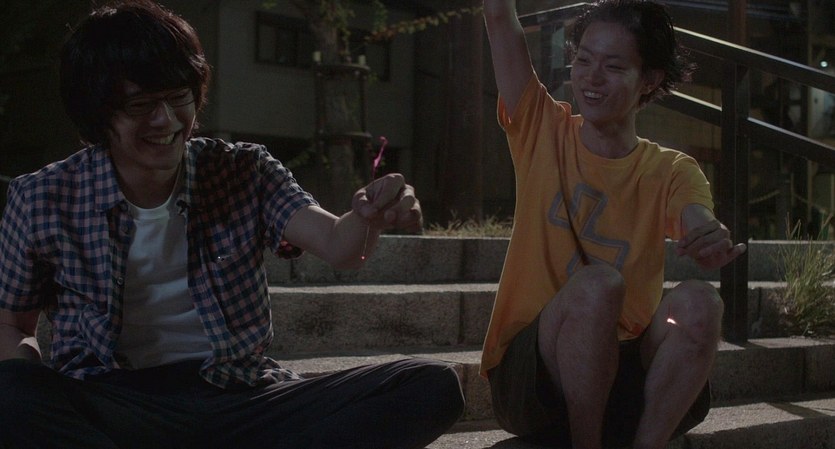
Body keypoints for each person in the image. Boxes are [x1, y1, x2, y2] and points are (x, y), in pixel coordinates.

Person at [0, 1, 464, 448]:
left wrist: (369, 217)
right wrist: (28, 383)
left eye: (178, 97)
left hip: (241, 397)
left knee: (429, 384)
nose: (167, 120)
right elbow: (12, 325)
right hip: (114, 403)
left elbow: (339, 246)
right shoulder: (42, 196)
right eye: (141, 105)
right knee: (10, 389)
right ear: (98, 114)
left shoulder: (244, 169)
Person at [480, 1, 747, 448]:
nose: (591, 77)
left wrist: (707, 236)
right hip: (531, 376)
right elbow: (498, 19)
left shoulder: (670, 169)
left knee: (701, 302)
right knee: (599, 285)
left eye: (613, 66)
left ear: (650, 80)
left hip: (623, 368)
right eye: (584, 60)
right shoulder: (541, 128)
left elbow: (694, 215)